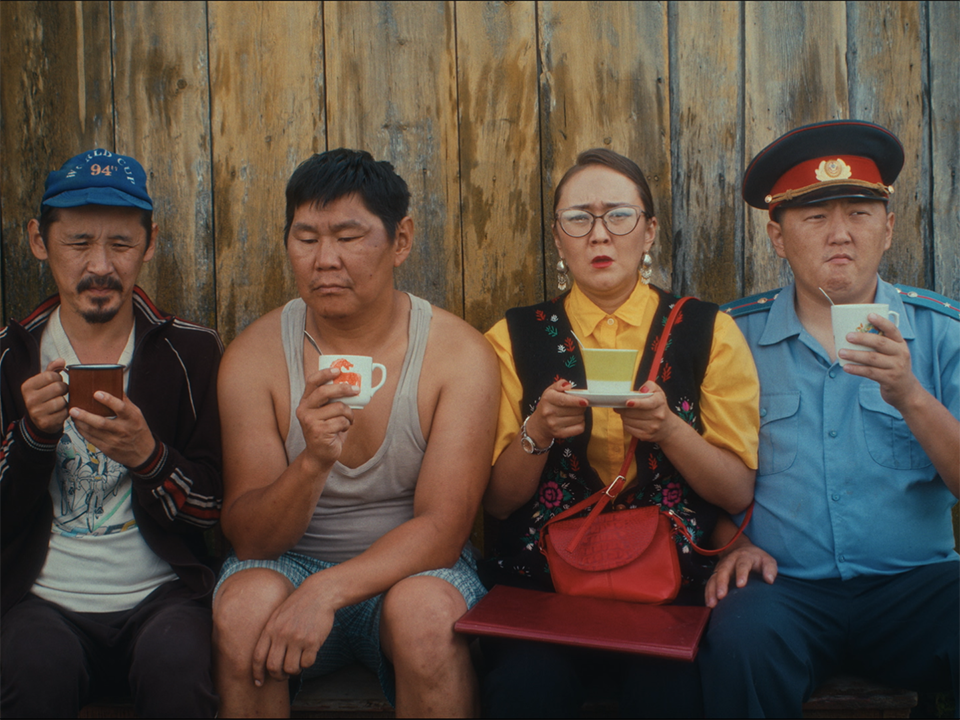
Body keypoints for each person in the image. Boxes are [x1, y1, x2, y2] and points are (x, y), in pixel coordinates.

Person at [212, 148, 499, 718]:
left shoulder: (456, 354)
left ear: (400, 240)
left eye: (348, 237)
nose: (325, 260)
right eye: (306, 238)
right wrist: (312, 463)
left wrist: (326, 592)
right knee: (245, 610)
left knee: (427, 619)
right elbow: (250, 538)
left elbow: (443, 530)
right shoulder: (256, 356)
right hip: (287, 564)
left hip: (414, 573)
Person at [480, 148, 760, 717]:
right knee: (524, 689)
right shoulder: (512, 338)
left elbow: (736, 491)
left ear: (649, 231)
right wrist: (538, 431)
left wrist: (669, 430)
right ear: (557, 238)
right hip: (542, 587)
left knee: (670, 694)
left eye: (619, 215)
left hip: (671, 587)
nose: (599, 234)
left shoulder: (707, 331)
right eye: (578, 218)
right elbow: (497, 502)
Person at [700, 120, 960, 716]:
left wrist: (910, 395)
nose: (840, 233)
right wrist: (726, 542)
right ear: (777, 236)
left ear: (888, 228)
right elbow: (691, 474)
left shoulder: (942, 332)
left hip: (915, 587)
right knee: (737, 640)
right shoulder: (730, 339)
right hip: (783, 591)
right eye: (815, 216)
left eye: (859, 213)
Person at [0, 149, 224, 717]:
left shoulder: (190, 353)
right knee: (32, 668)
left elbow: (214, 508)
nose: (100, 266)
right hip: (38, 599)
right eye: (78, 243)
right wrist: (32, 437)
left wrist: (149, 457)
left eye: (121, 244)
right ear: (39, 241)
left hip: (164, 596)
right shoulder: (8, 358)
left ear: (149, 244)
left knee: (178, 666)